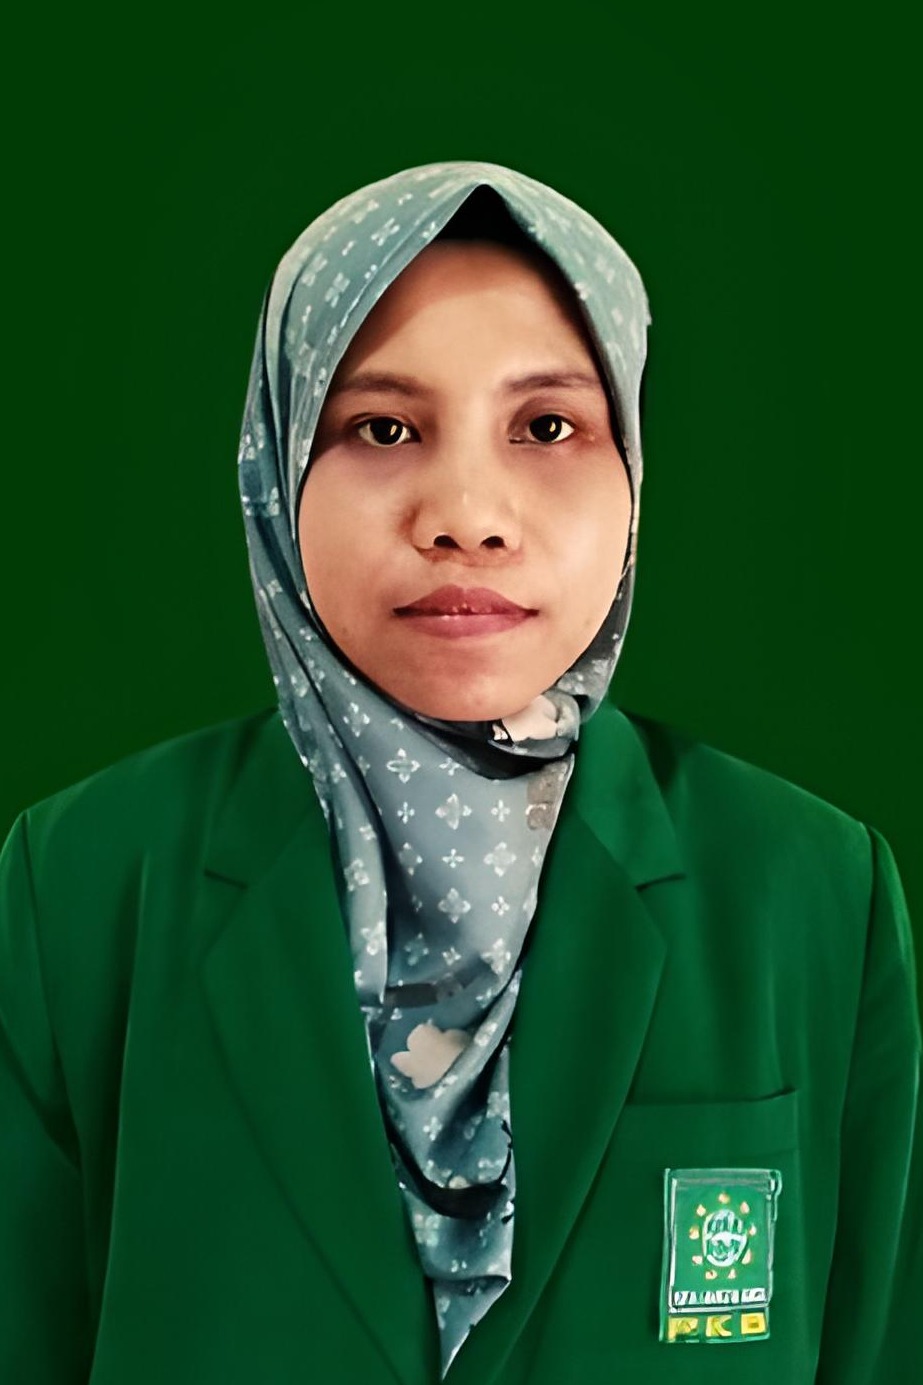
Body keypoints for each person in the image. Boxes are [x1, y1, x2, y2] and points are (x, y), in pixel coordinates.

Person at [0, 160, 918, 1385]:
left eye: (547, 427)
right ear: (279, 463)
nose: (467, 514)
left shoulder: (812, 891)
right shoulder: (77, 884)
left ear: (631, 469)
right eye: (382, 428)